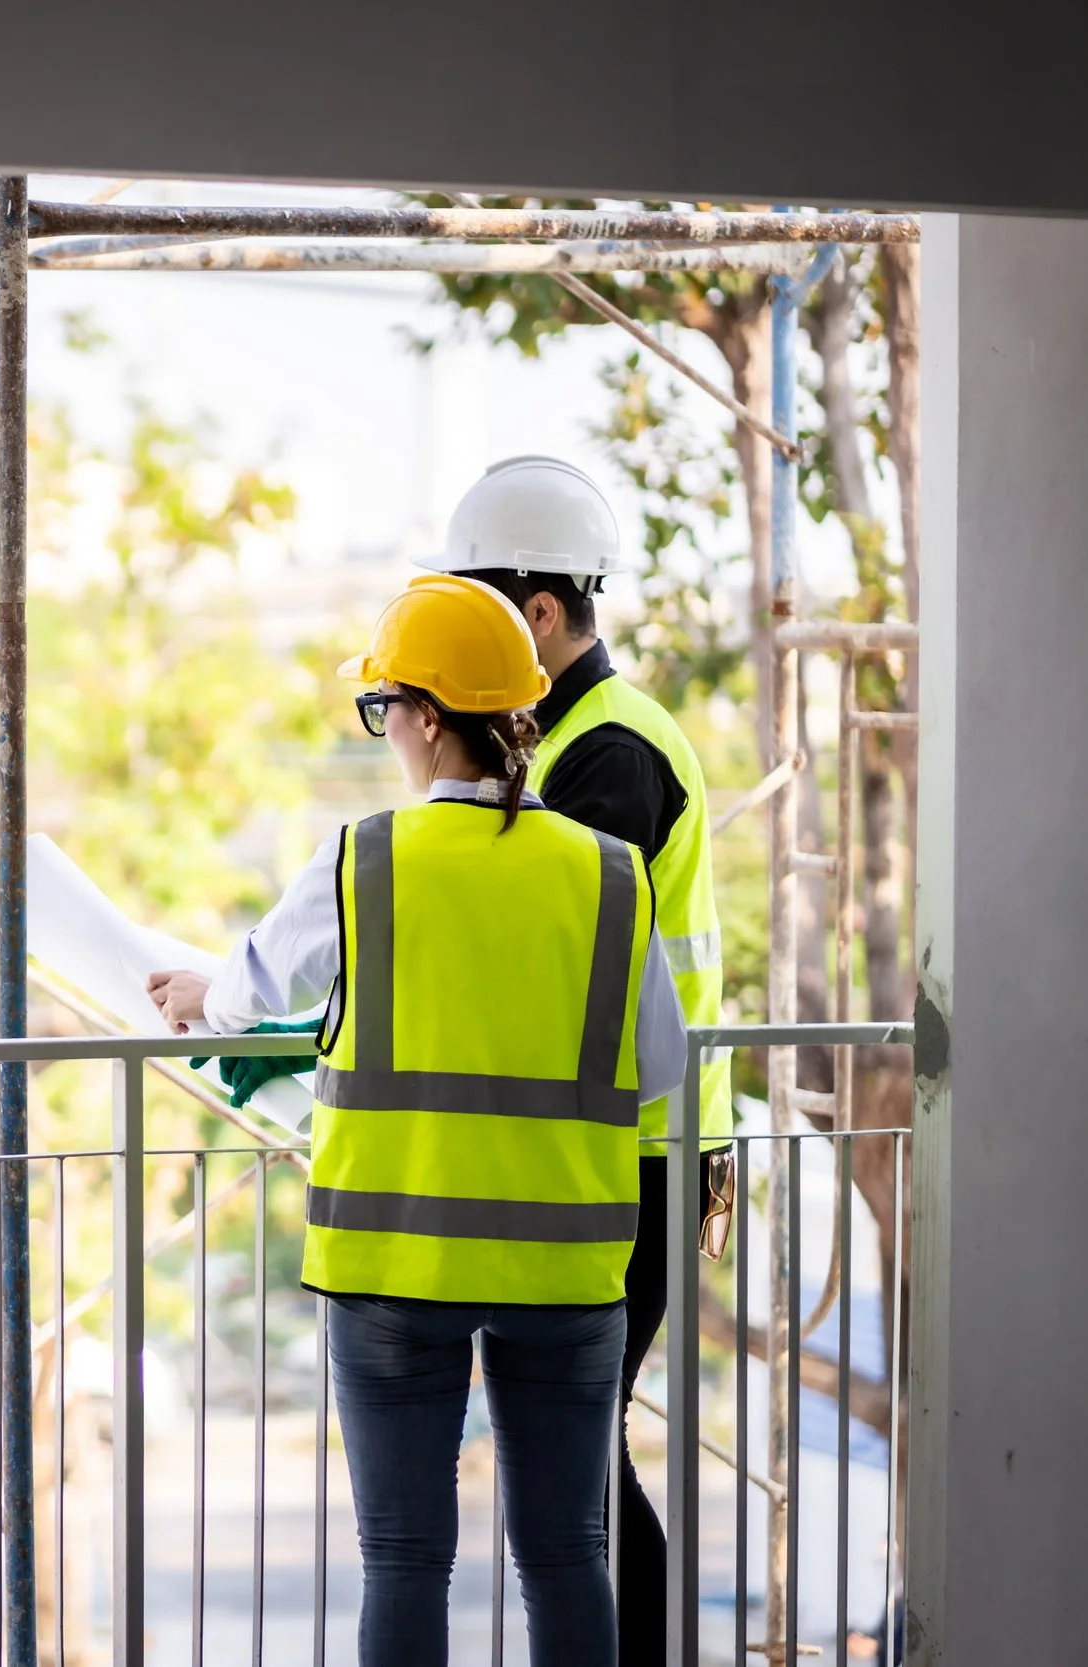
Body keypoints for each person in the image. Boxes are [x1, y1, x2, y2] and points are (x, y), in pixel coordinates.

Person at [147, 573, 687, 1667]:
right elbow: (664, 1064)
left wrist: (203, 995)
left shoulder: (366, 859)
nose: (382, 727)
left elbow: (249, 985)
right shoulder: (609, 874)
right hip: (566, 1265)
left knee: (403, 1558)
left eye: (380, 706)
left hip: (396, 1256)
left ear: (428, 717)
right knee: (565, 1551)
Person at [419, 454, 734, 1666]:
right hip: (619, 1147)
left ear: (540, 615)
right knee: (574, 1448)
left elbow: (544, 950)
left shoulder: (606, 756)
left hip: (634, 1154)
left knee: (575, 1451)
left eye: (482, 620)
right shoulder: (580, 739)